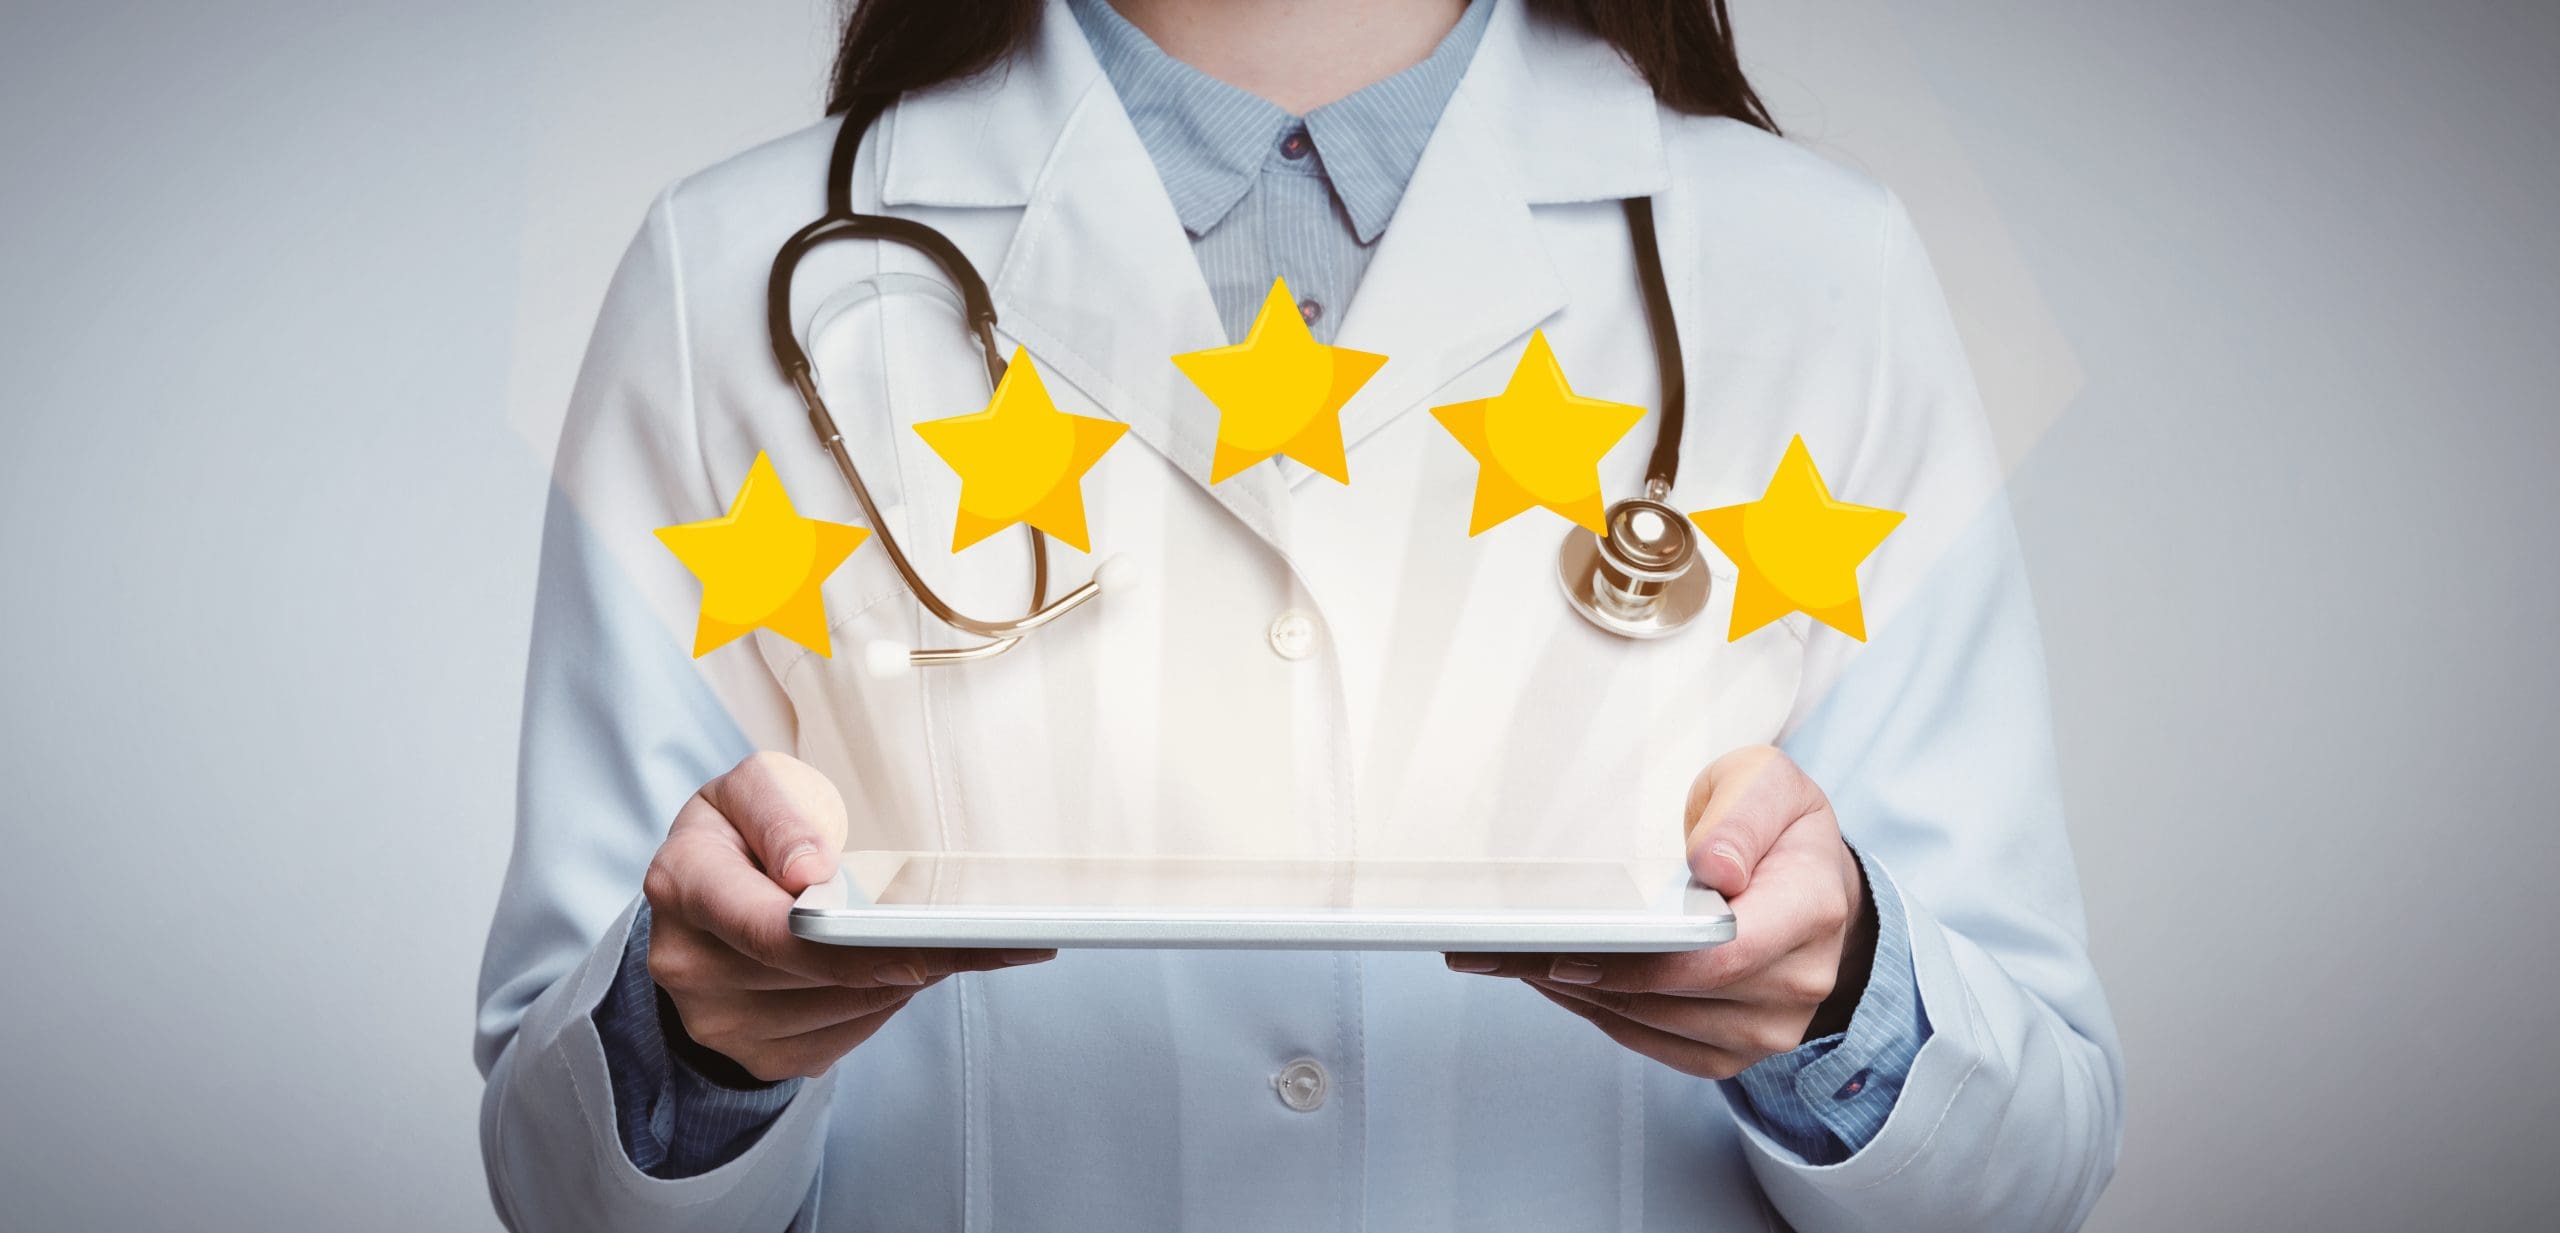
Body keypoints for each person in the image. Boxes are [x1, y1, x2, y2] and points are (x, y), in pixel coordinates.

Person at [475, 0, 2123, 1228]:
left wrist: (1831, 1010)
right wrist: (697, 1044)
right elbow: (559, 1182)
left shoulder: (1814, 269)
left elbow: (2028, 1161)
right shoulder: (727, 272)